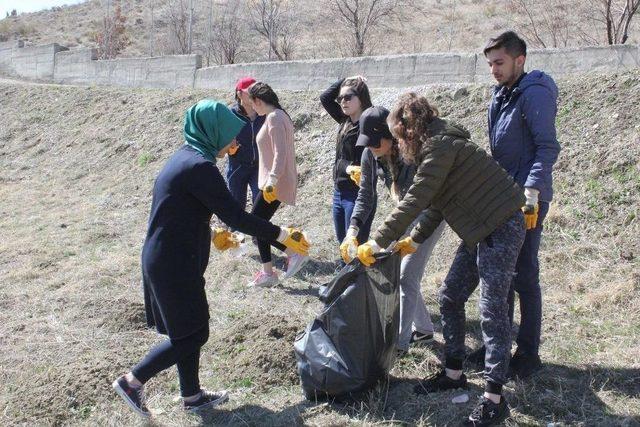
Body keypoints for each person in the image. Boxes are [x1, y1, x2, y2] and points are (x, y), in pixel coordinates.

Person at [111, 100, 310, 418]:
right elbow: (238, 216)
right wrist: (283, 236)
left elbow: (189, 207)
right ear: (212, 132)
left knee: (187, 330)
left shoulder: (188, 157)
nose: (235, 145)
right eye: (230, 137)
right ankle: (133, 380)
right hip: (173, 262)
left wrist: (211, 227)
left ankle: (192, 396)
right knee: (193, 333)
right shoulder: (199, 167)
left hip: (172, 257)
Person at [356, 93, 526, 426]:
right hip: (478, 229)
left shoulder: (439, 147)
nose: (396, 143)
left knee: (491, 311)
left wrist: (377, 241)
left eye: (396, 135)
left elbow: (415, 201)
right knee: (450, 296)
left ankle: (494, 398)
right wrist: (412, 241)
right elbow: (436, 206)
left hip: (502, 225)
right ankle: (453, 373)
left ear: (408, 130)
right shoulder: (435, 148)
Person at [466, 31, 561, 379]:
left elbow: (547, 148)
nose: (493, 69)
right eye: (490, 63)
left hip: (528, 201)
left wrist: (532, 192)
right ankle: (498, 348)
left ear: (519, 60)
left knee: (524, 274)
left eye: (499, 62)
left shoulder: (534, 94)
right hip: (501, 198)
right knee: (499, 274)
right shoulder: (500, 95)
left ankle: (529, 353)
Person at [340, 106, 446, 355]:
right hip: (402, 215)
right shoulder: (370, 154)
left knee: (407, 275)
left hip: (430, 214)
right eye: (368, 143)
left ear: (393, 136)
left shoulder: (414, 151)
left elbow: (426, 196)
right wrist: (352, 230)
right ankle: (424, 330)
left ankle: (398, 346)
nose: (373, 148)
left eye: (377, 142)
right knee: (400, 273)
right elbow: (366, 195)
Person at [246, 82, 309, 287]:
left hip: (274, 182)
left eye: (252, 103)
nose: (252, 108)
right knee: (259, 224)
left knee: (256, 223)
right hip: (272, 181)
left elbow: (280, 153)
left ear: (258, 101)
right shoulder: (278, 115)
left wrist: (272, 180)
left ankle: (292, 252)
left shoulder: (274, 117)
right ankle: (269, 272)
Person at [320, 76, 375, 259]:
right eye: (341, 98)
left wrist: (348, 167)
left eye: (348, 97)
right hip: (339, 192)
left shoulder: (368, 125)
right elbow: (325, 97)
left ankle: (354, 286)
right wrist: (346, 79)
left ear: (361, 97)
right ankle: (344, 285)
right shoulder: (345, 120)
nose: (343, 101)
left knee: (354, 248)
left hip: (358, 195)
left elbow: (371, 161)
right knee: (343, 247)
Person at [225, 77, 265, 211]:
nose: (254, 95)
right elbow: (223, 142)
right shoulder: (231, 115)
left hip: (258, 166)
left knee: (260, 203)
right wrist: (231, 148)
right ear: (239, 94)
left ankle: (258, 230)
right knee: (236, 208)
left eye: (256, 91)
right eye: (249, 91)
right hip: (238, 167)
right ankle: (234, 232)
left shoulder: (263, 113)